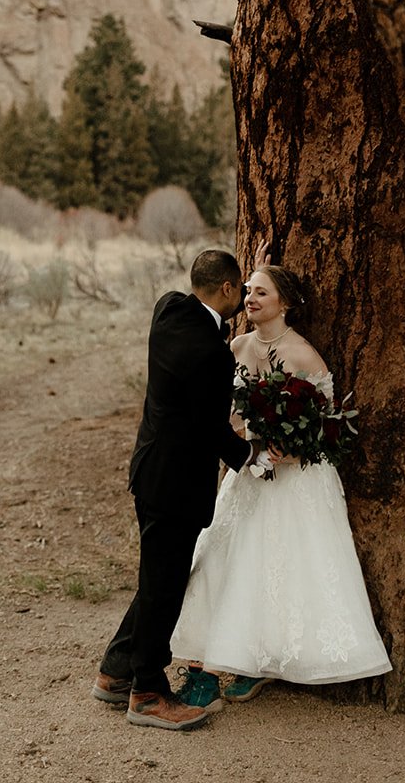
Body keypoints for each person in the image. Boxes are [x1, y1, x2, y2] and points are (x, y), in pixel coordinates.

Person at [169, 262, 392, 703]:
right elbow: (223, 416)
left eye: (261, 293)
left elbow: (329, 426)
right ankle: (208, 664)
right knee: (220, 560)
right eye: (247, 291)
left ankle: (263, 663)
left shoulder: (304, 355)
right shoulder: (234, 345)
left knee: (280, 567)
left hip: (296, 478)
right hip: (248, 471)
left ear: (285, 303)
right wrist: (247, 443)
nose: (250, 299)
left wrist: (291, 451)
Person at [93, 248, 253, 731]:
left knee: (156, 578)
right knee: (164, 587)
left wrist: (236, 292)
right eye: (240, 289)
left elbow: (207, 311)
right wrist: (251, 457)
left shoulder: (168, 310)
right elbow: (211, 428)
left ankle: (115, 672)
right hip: (178, 484)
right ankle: (146, 693)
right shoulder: (211, 355)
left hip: (150, 472)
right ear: (227, 289)